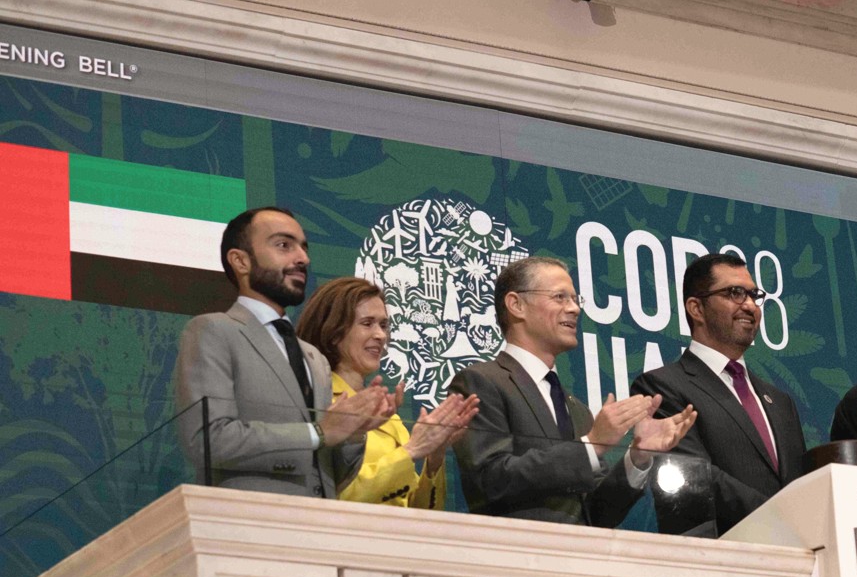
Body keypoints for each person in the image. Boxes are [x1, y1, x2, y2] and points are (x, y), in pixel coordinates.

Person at [448, 255, 696, 525]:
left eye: (576, 300)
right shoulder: (480, 382)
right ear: (516, 305)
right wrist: (591, 444)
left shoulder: (577, 410)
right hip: (516, 546)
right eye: (560, 297)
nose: (574, 309)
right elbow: (491, 479)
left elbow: (598, 514)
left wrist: (637, 456)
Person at [175, 206, 392, 497]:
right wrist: (318, 432)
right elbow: (208, 440)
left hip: (316, 521)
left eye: (303, 248)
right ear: (241, 261)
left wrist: (353, 432)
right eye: (283, 245)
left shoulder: (314, 358)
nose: (303, 258)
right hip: (246, 518)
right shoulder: (213, 331)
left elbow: (328, 478)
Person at [631, 252, 808, 535]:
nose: (749, 305)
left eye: (754, 295)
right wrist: (781, 522)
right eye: (735, 293)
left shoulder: (780, 402)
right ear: (696, 308)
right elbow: (695, 476)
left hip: (795, 554)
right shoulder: (661, 387)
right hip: (717, 552)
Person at [298, 277, 479, 509]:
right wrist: (411, 451)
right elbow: (336, 497)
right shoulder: (316, 401)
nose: (381, 335)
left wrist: (435, 456)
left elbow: (420, 514)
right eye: (367, 323)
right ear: (333, 332)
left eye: (383, 325)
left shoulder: (389, 416)